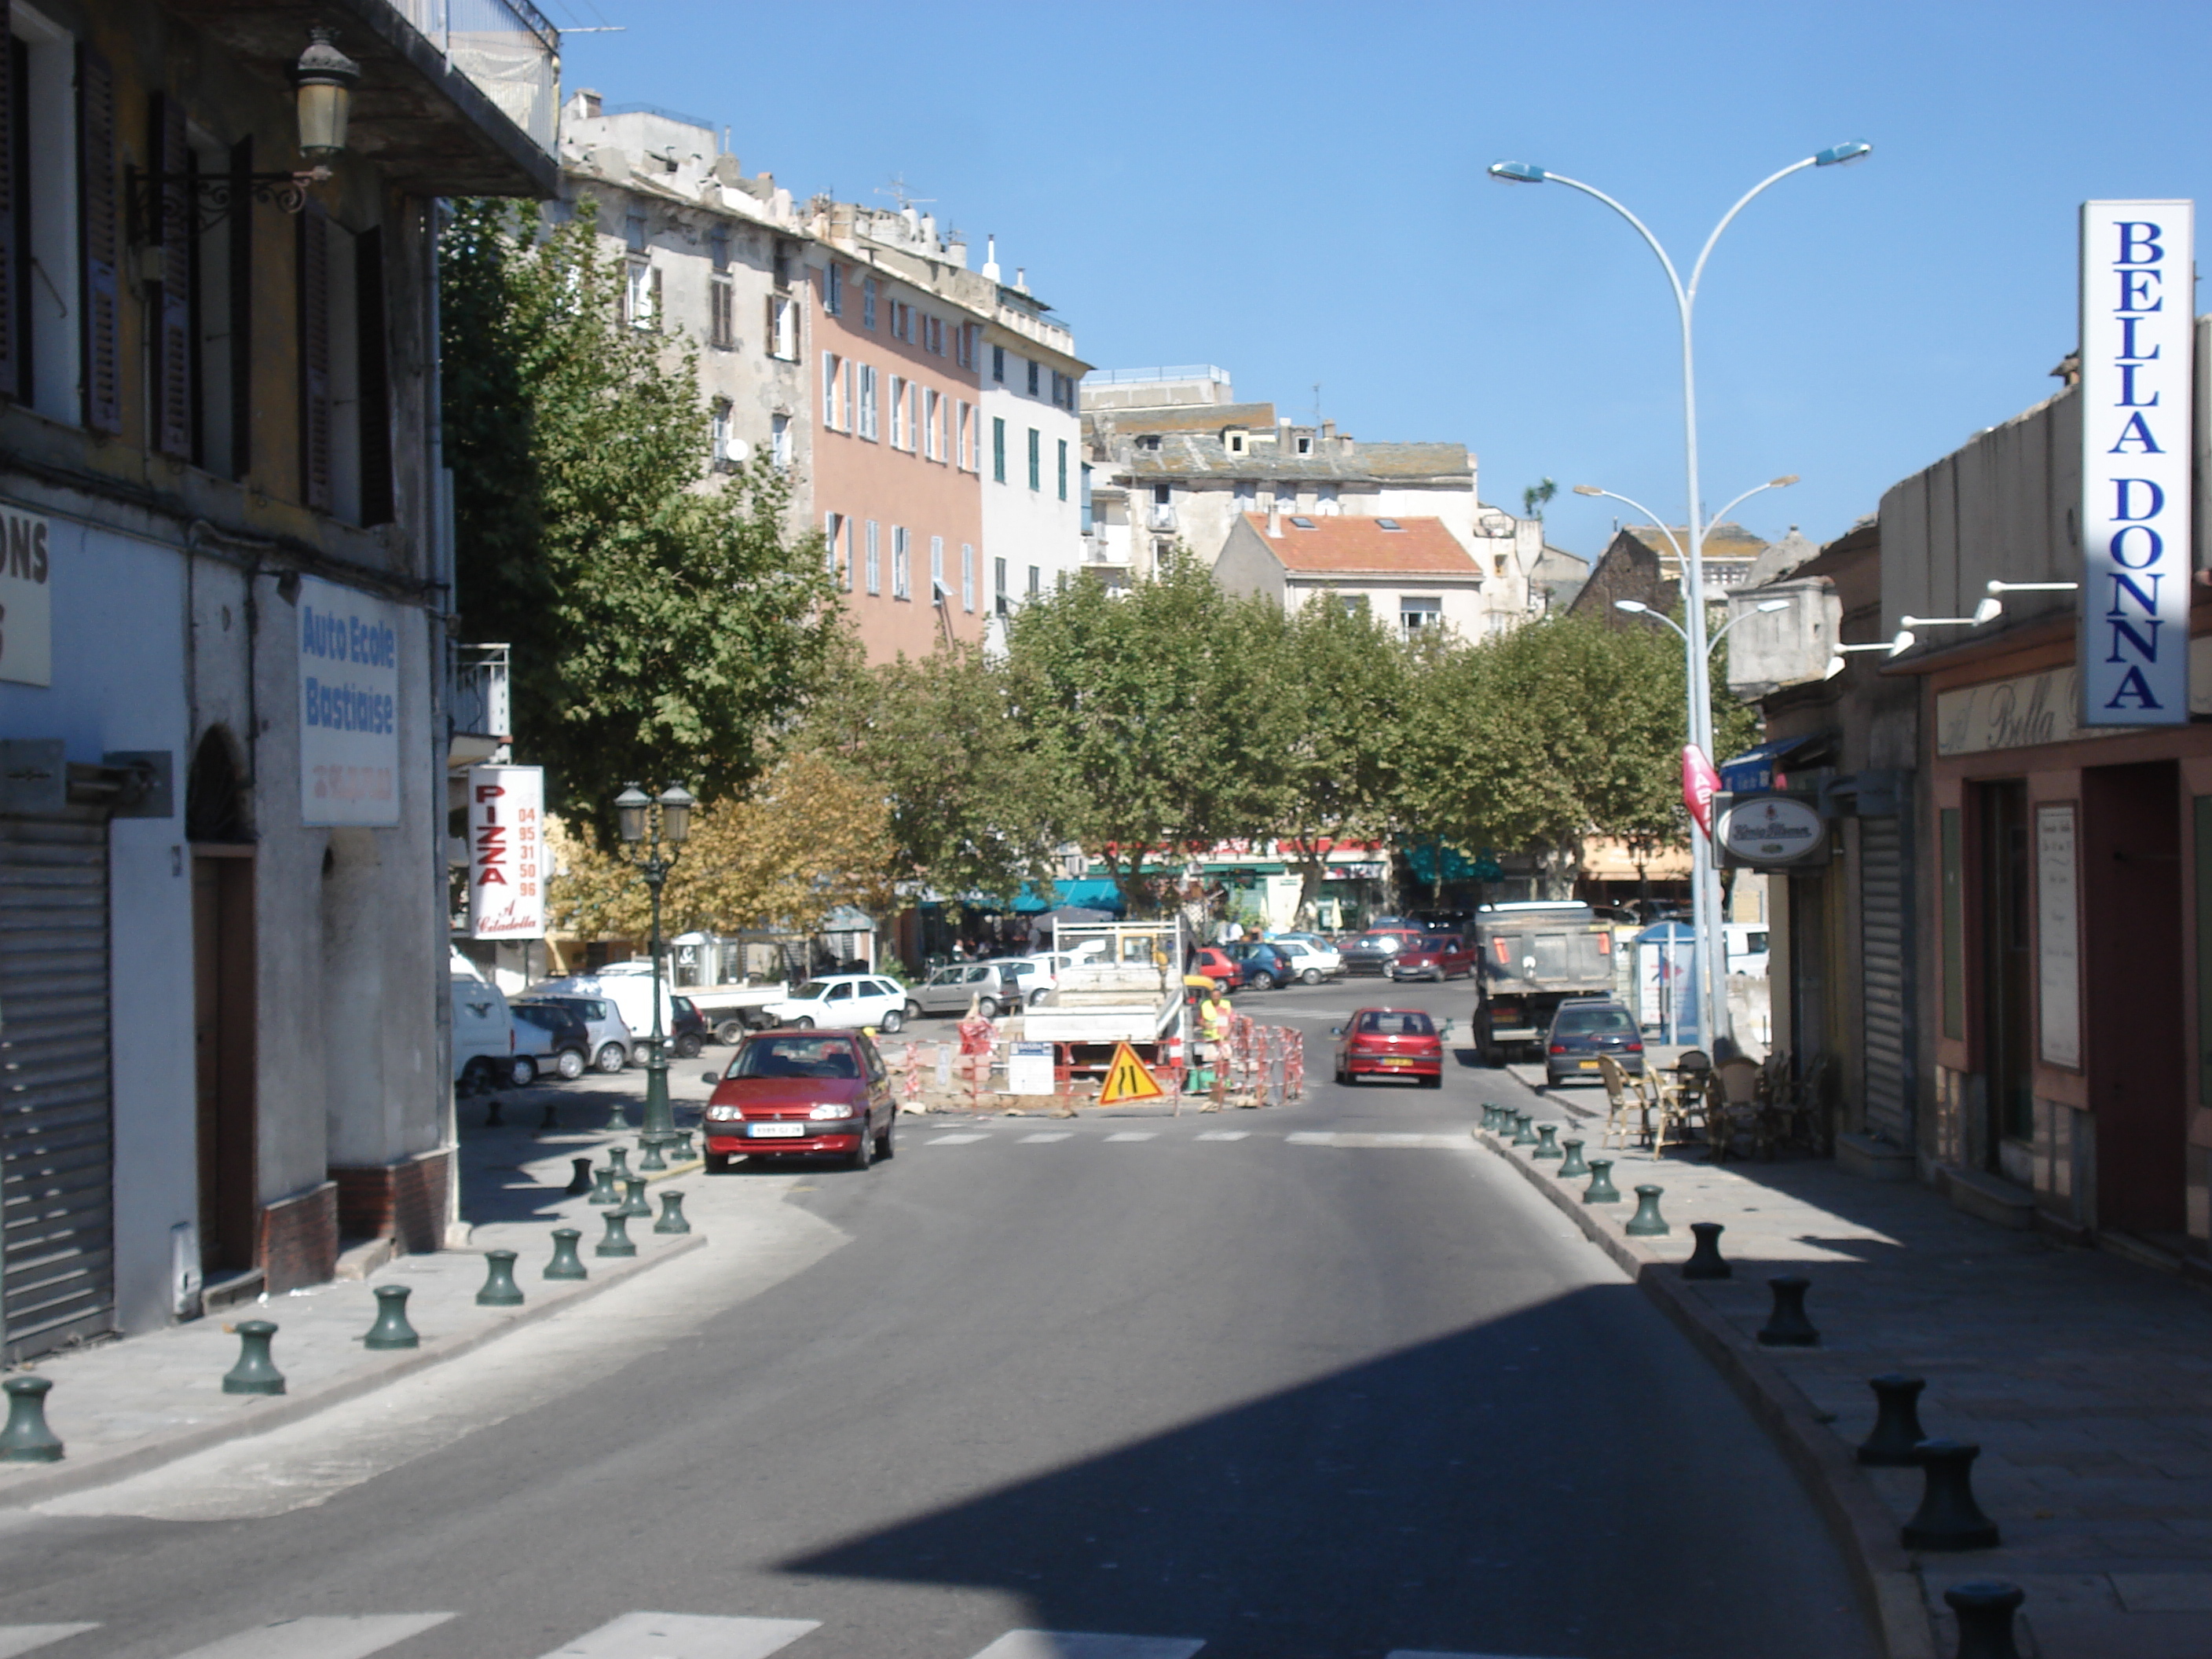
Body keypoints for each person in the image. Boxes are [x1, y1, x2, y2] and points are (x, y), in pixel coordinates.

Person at [1199, 980, 1234, 1110]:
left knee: (1226, 1060)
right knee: (1213, 1063)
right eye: (1213, 997)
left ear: (1221, 997)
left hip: (1223, 1038)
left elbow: (1231, 1020)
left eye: (1217, 997)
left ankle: (1225, 1082)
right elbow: (1200, 1020)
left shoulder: (1226, 1005)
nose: (1216, 999)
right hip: (1211, 1038)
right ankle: (1215, 1086)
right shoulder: (1205, 1005)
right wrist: (1205, 1025)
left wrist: (1228, 1032)